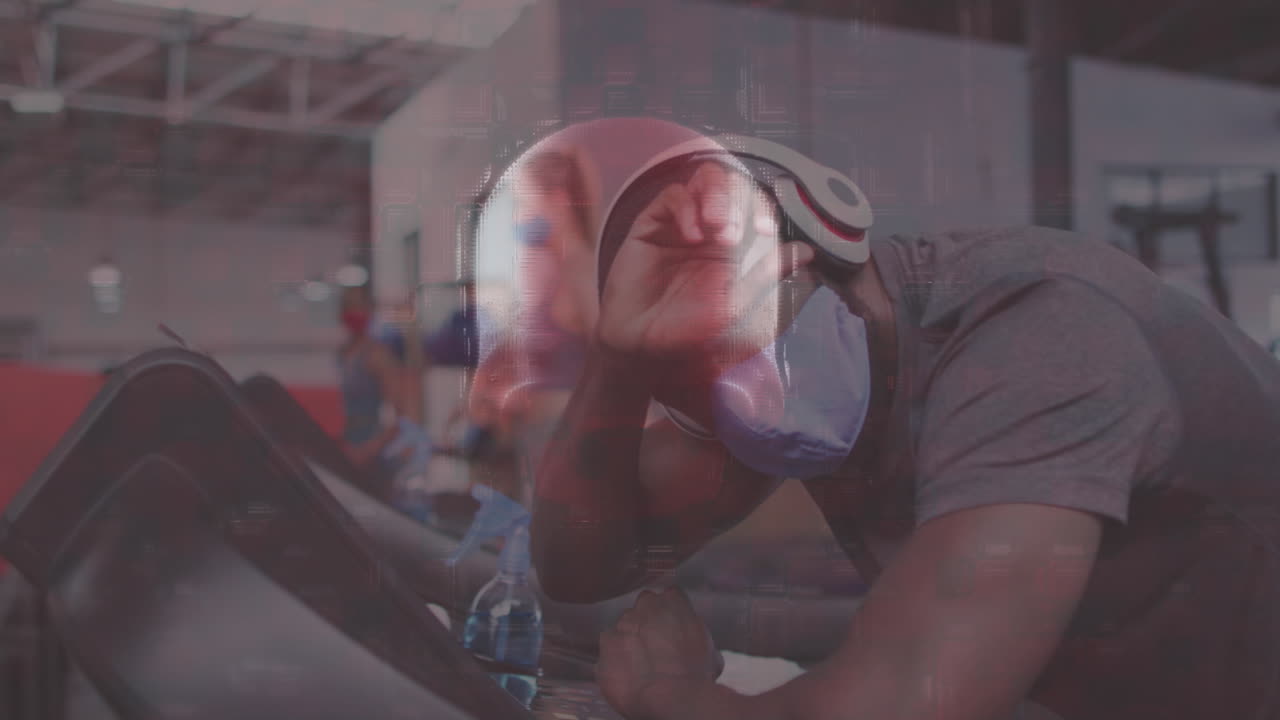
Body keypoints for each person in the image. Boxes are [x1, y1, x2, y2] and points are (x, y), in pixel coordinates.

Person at [530, 150, 1280, 720]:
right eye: (687, 373)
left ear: (818, 249)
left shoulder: (1041, 330)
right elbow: (581, 567)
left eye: (732, 339)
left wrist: (677, 699)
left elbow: (912, 695)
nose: (730, 397)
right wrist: (617, 360)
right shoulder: (789, 367)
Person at [335, 285, 422, 488]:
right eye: (349, 306)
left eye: (359, 306)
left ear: (370, 311)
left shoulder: (378, 356)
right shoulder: (343, 354)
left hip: (374, 450)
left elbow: (401, 416)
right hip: (348, 445)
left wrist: (369, 449)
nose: (354, 312)